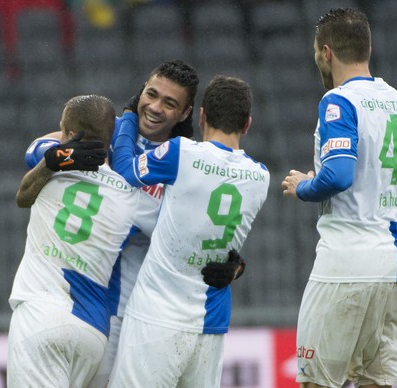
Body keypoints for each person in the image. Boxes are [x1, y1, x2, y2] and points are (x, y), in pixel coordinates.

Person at [18, 60, 245, 388]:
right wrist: (62, 156)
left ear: (185, 114)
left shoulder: (185, 162)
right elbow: (36, 150)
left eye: (169, 103)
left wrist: (234, 265)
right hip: (88, 303)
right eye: (151, 94)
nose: (154, 107)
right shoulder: (107, 136)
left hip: (145, 316)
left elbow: (209, 230)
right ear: (140, 92)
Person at [281, 8, 397, 388]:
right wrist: (387, 204)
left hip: (345, 267)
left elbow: (339, 174)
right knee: (376, 382)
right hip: (395, 271)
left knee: (317, 383)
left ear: (325, 52)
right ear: (367, 48)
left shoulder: (337, 102)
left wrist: (304, 188)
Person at [107, 75, 270, 387]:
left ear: (202, 116)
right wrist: (237, 266)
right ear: (247, 124)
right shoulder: (260, 176)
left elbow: (127, 171)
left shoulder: (182, 153)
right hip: (211, 322)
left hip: (158, 315)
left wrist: (128, 117)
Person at [8, 94, 144, 387]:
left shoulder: (52, 170)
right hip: (92, 332)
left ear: (69, 134)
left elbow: (27, 183)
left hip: (41, 314)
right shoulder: (130, 198)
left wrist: (61, 155)